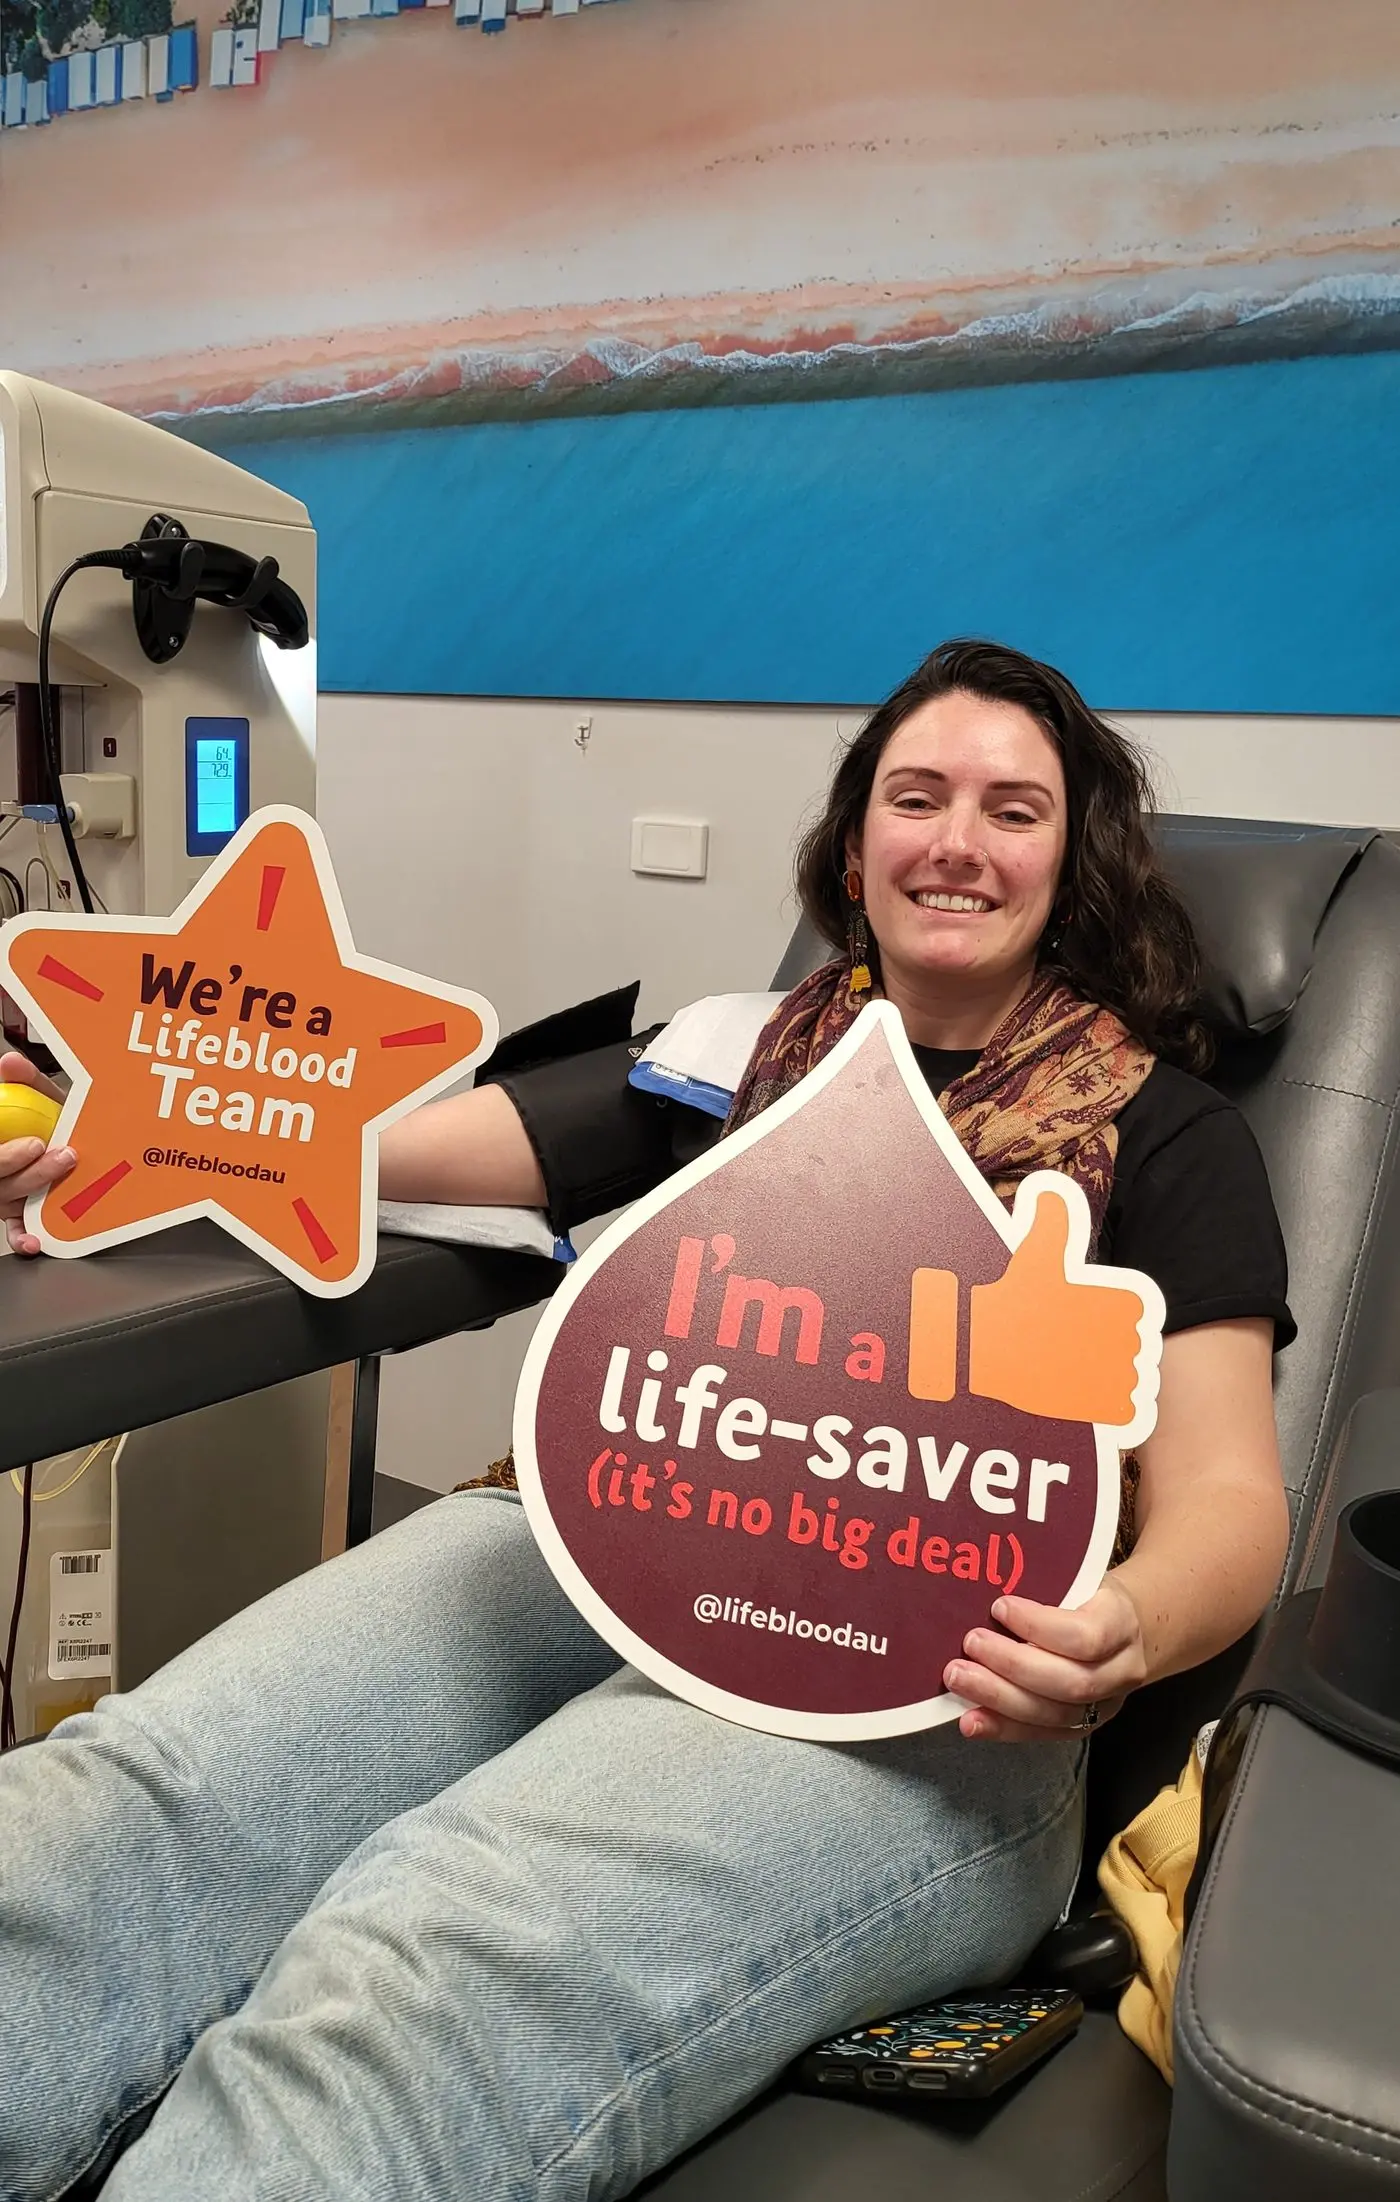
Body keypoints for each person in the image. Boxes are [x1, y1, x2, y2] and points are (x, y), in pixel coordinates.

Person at [0, 640, 1291, 2202]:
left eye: (1014, 809)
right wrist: (110, 1129)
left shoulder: (1166, 1135)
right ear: (856, 838)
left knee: (414, 1961)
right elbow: (381, 1142)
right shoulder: (736, 1049)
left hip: (916, 1688)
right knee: (120, 1801)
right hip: (594, 1546)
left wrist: (1124, 1627)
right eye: (917, 795)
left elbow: (1233, 1498)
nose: (958, 840)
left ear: (1073, 856)